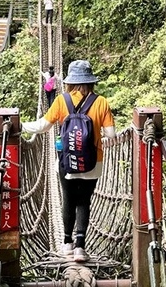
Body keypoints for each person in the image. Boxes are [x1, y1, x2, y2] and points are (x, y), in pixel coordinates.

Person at [23, 60, 115, 263]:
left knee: (68, 200)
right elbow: (111, 134)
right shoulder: (101, 102)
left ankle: (67, 244)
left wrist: (20, 125)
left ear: (70, 82)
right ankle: (80, 247)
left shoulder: (61, 100)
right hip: (93, 162)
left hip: (66, 161)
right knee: (84, 201)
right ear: (91, 81)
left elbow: (43, 126)